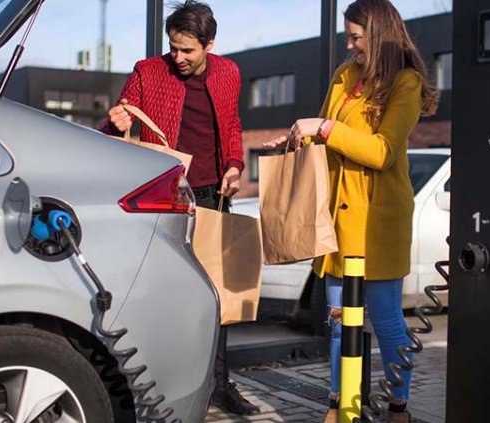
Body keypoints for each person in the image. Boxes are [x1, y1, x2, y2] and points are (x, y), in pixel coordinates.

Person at [265, 0, 439, 422]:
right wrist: (297, 143)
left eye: (356, 37)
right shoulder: (345, 76)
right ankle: (339, 406)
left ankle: (398, 407)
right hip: (338, 222)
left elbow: (381, 151)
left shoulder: (406, 82)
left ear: (378, 35)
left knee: (385, 321)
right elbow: (324, 137)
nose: (350, 45)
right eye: (348, 36)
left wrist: (325, 129)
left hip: (377, 222)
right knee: (340, 323)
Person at [99, 1, 259, 416]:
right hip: (167, 196)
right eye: (174, 48)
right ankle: (164, 388)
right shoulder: (148, 71)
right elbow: (118, 121)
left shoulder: (229, 73)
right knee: (164, 294)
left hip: (212, 194)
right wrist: (114, 123)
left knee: (216, 295)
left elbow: (233, 124)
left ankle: (219, 385)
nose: (179, 57)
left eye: (188, 50)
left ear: (209, 44)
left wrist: (235, 165)